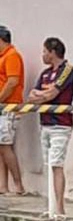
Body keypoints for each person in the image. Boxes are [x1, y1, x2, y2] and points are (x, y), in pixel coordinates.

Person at [26, 38, 73, 219]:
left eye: (44, 51)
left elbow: (52, 93)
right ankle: (50, 207)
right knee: (48, 164)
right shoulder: (45, 74)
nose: (42, 55)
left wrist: (44, 95)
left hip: (60, 124)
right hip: (45, 122)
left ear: (53, 51)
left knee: (57, 164)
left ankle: (60, 209)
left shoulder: (67, 70)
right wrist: (43, 95)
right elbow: (33, 95)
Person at [0, 25, 25, 196]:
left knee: (5, 145)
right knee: (1, 147)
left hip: (8, 107)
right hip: (3, 107)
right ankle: (3, 186)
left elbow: (12, 82)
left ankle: (18, 185)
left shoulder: (12, 56)